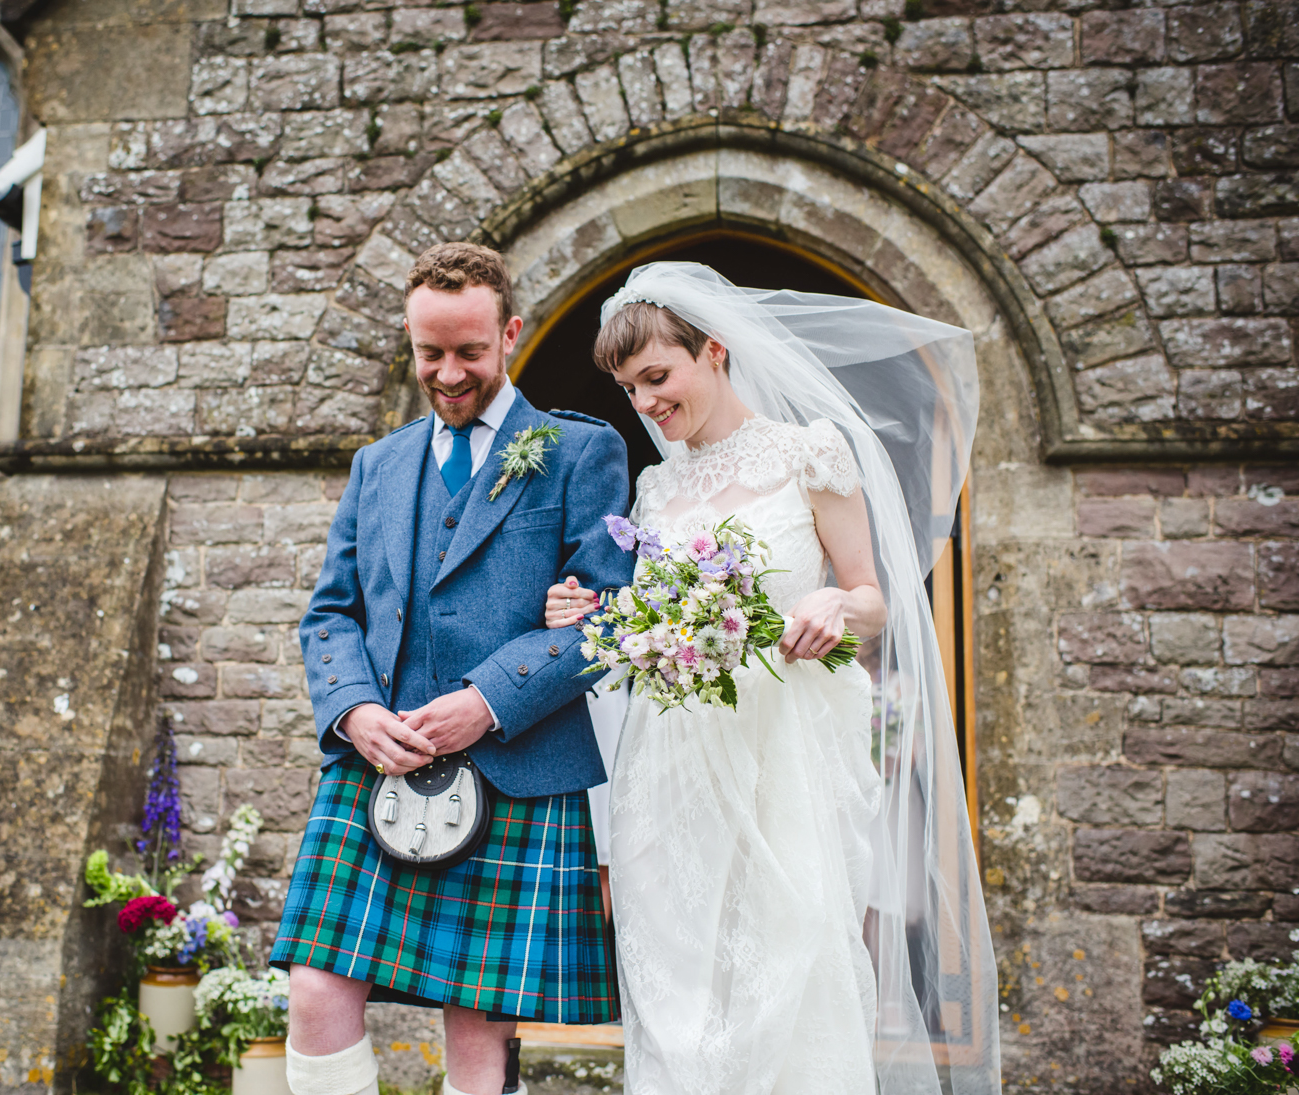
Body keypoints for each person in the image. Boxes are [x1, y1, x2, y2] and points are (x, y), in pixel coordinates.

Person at [543, 263, 1001, 1095]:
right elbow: (647, 626)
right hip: (672, 767)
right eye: (629, 388)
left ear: (714, 351)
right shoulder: (652, 487)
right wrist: (591, 611)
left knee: (786, 974)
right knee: (679, 987)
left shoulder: (811, 452)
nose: (645, 404)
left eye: (657, 377)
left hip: (783, 758)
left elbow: (875, 599)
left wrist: (834, 602)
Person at [269, 242, 633, 1095]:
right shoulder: (379, 464)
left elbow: (608, 616)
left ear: (509, 333)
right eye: (430, 352)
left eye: (469, 351)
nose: (449, 372)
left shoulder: (579, 451)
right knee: (316, 989)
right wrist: (355, 710)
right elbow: (331, 613)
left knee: (477, 1033)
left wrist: (486, 701)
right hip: (378, 762)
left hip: (517, 766)